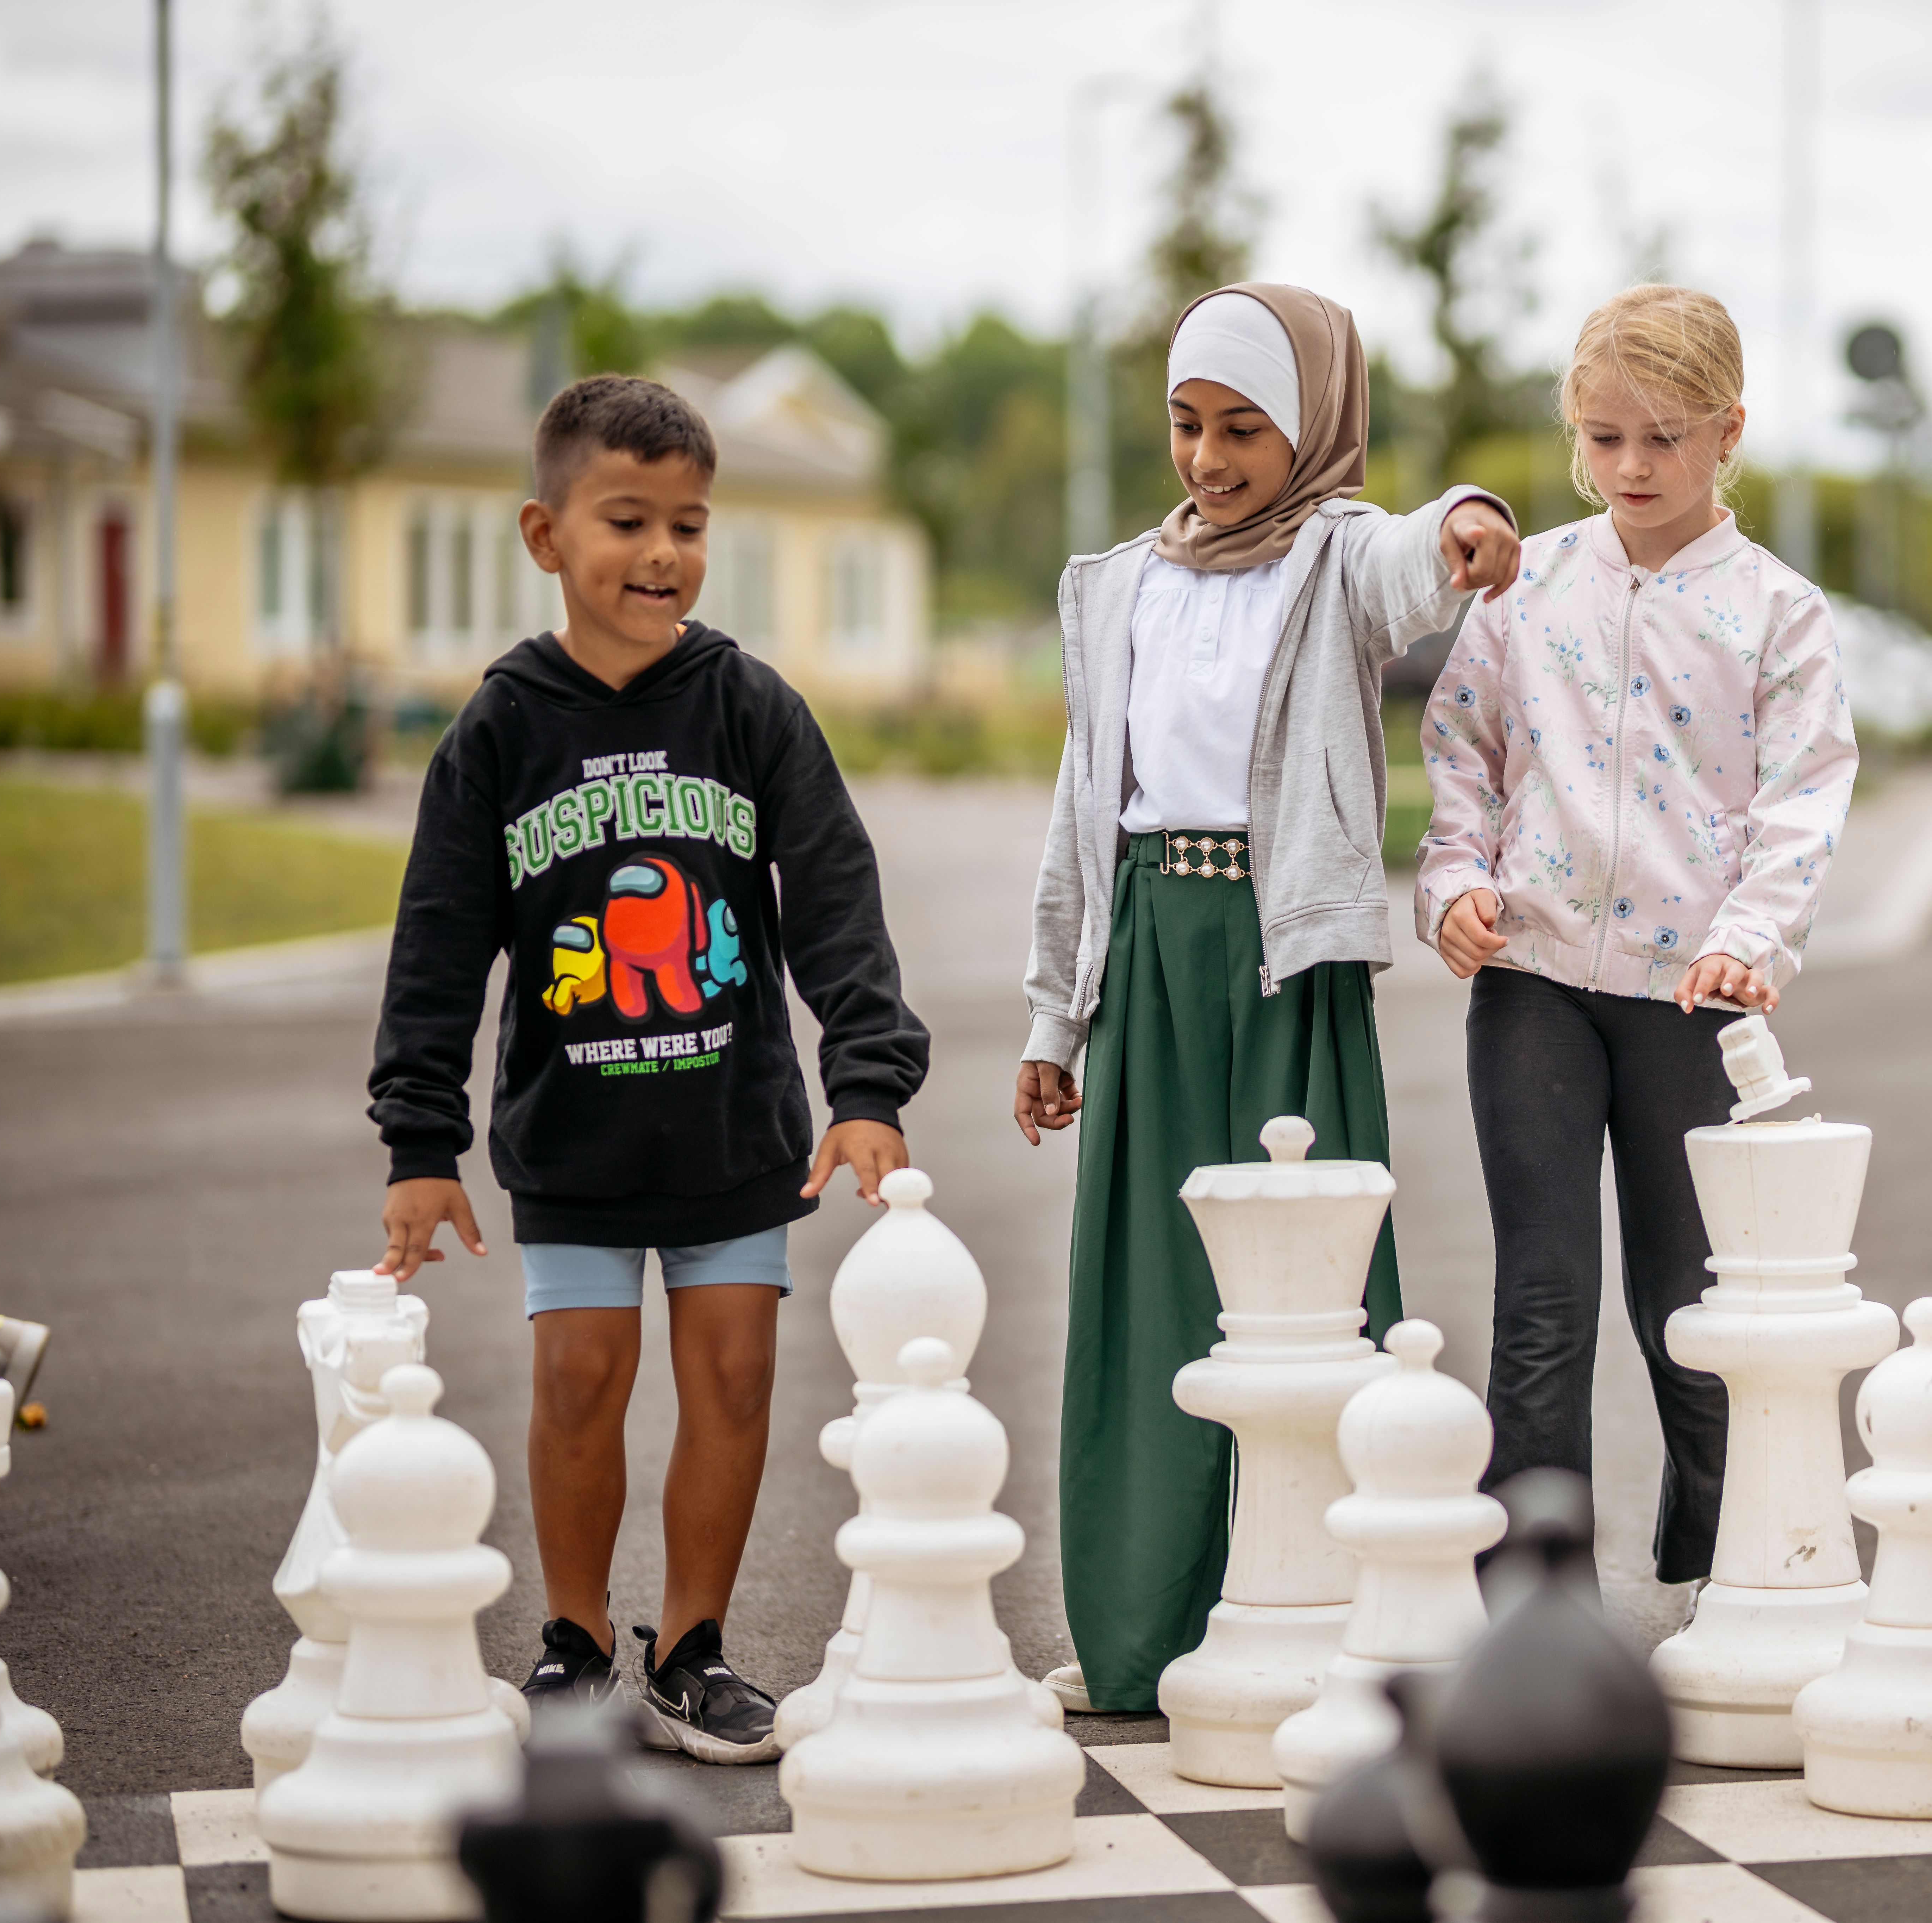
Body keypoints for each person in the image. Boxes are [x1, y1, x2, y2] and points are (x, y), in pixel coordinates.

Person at [367, 374, 928, 1763]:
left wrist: (867, 1087)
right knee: (580, 1381)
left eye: (689, 522)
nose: (665, 553)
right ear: (544, 534)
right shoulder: (499, 730)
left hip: (733, 1125)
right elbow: (440, 941)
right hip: (576, 1136)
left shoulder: (748, 707)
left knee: (734, 1378)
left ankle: (691, 1649)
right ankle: (571, 1642)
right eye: (629, 520)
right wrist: (418, 1143)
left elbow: (838, 896)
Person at [1013, 282, 1520, 1713]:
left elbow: (1416, 562)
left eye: (1244, 427)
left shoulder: (1335, 555)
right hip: (1148, 951)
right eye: (1186, 423)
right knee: (1146, 1288)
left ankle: (1363, 1623)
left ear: (1310, 430)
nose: (1210, 456)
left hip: (1281, 951)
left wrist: (1469, 523)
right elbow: (1078, 812)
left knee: (1314, 1291)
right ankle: (1139, 1639)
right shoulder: (1117, 584)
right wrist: (1057, 1017)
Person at [1416, 285, 1858, 1593]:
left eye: (1663, 438)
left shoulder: (1780, 612)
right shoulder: (1527, 588)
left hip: (1694, 1003)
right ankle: (1532, 1598)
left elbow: (1805, 794)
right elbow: (1460, 756)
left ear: (1730, 433)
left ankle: (1730, 1577)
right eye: (1603, 439)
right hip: (1534, 987)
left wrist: (1751, 940)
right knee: (1541, 1308)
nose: (1631, 468)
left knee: (1690, 1312)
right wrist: (1452, 882)